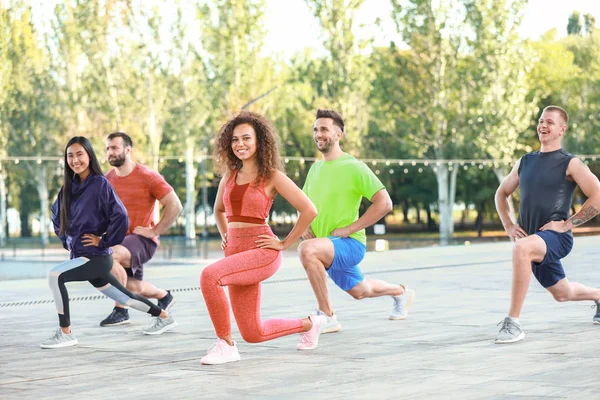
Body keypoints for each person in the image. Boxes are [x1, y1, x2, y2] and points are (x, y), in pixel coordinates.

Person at [199, 111, 326, 365]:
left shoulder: (272, 176)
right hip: (235, 253)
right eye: (234, 140)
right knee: (254, 333)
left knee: (209, 276)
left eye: (246, 138)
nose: (240, 144)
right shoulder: (229, 176)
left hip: (261, 251)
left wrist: (283, 244)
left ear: (260, 142)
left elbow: (309, 210)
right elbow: (219, 210)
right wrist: (226, 234)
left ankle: (225, 344)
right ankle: (311, 324)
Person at [42, 136, 175, 349]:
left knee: (55, 276)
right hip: (83, 255)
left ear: (89, 156)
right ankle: (164, 315)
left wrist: (105, 241)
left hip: (95, 256)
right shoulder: (68, 188)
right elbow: (56, 215)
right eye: (70, 156)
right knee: (127, 297)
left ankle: (65, 333)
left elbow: (120, 215)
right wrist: (66, 240)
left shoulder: (99, 183)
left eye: (80, 154)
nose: (75, 160)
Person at [298, 109, 415, 334]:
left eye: (324, 129)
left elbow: (385, 203)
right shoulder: (315, 169)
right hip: (328, 245)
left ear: (339, 134)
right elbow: (305, 204)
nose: (318, 134)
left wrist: (349, 229)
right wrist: (305, 227)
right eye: (315, 129)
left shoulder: (353, 166)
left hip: (349, 243)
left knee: (307, 251)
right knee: (360, 291)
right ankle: (401, 292)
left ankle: (327, 316)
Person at [494, 105, 600, 344]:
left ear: (562, 129)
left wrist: (567, 225)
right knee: (563, 294)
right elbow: (501, 194)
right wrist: (509, 225)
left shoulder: (571, 163)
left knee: (521, 249)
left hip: (556, 238)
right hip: (533, 239)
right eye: (541, 121)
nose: (543, 125)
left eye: (550, 122)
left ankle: (513, 323)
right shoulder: (525, 162)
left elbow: (598, 196)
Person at [99, 132, 182, 334]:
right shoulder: (105, 180)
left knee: (109, 255)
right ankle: (164, 297)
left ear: (128, 150)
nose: (110, 152)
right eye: (108, 148)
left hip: (141, 240)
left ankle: (121, 310)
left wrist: (155, 230)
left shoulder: (148, 176)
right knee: (133, 288)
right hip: (119, 240)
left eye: (115, 148)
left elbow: (175, 205)